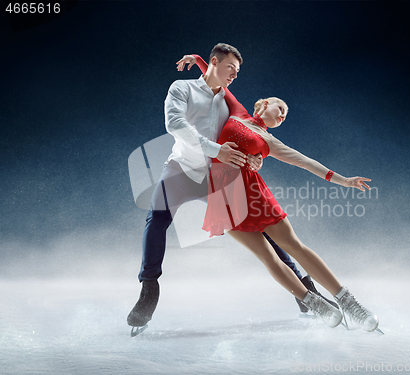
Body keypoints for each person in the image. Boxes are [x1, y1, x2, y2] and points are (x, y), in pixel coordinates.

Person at [127, 43, 335, 335]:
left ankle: (306, 293)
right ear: (215, 62)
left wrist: (255, 157)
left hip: (220, 177)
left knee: (264, 231)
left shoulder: (228, 101)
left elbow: (247, 134)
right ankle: (149, 290)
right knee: (157, 217)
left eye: (238, 72)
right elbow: (175, 124)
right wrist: (216, 149)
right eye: (231, 70)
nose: (235, 76)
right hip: (182, 168)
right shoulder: (182, 89)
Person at [178, 54, 380, 332]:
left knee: (294, 246)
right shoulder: (237, 112)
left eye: (286, 115)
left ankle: (349, 303)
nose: (283, 114)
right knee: (267, 257)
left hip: (251, 191)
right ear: (263, 104)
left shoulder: (270, 141)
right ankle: (314, 304)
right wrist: (199, 59)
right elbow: (218, 80)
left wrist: (343, 180)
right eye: (280, 107)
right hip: (223, 194)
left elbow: (304, 161)